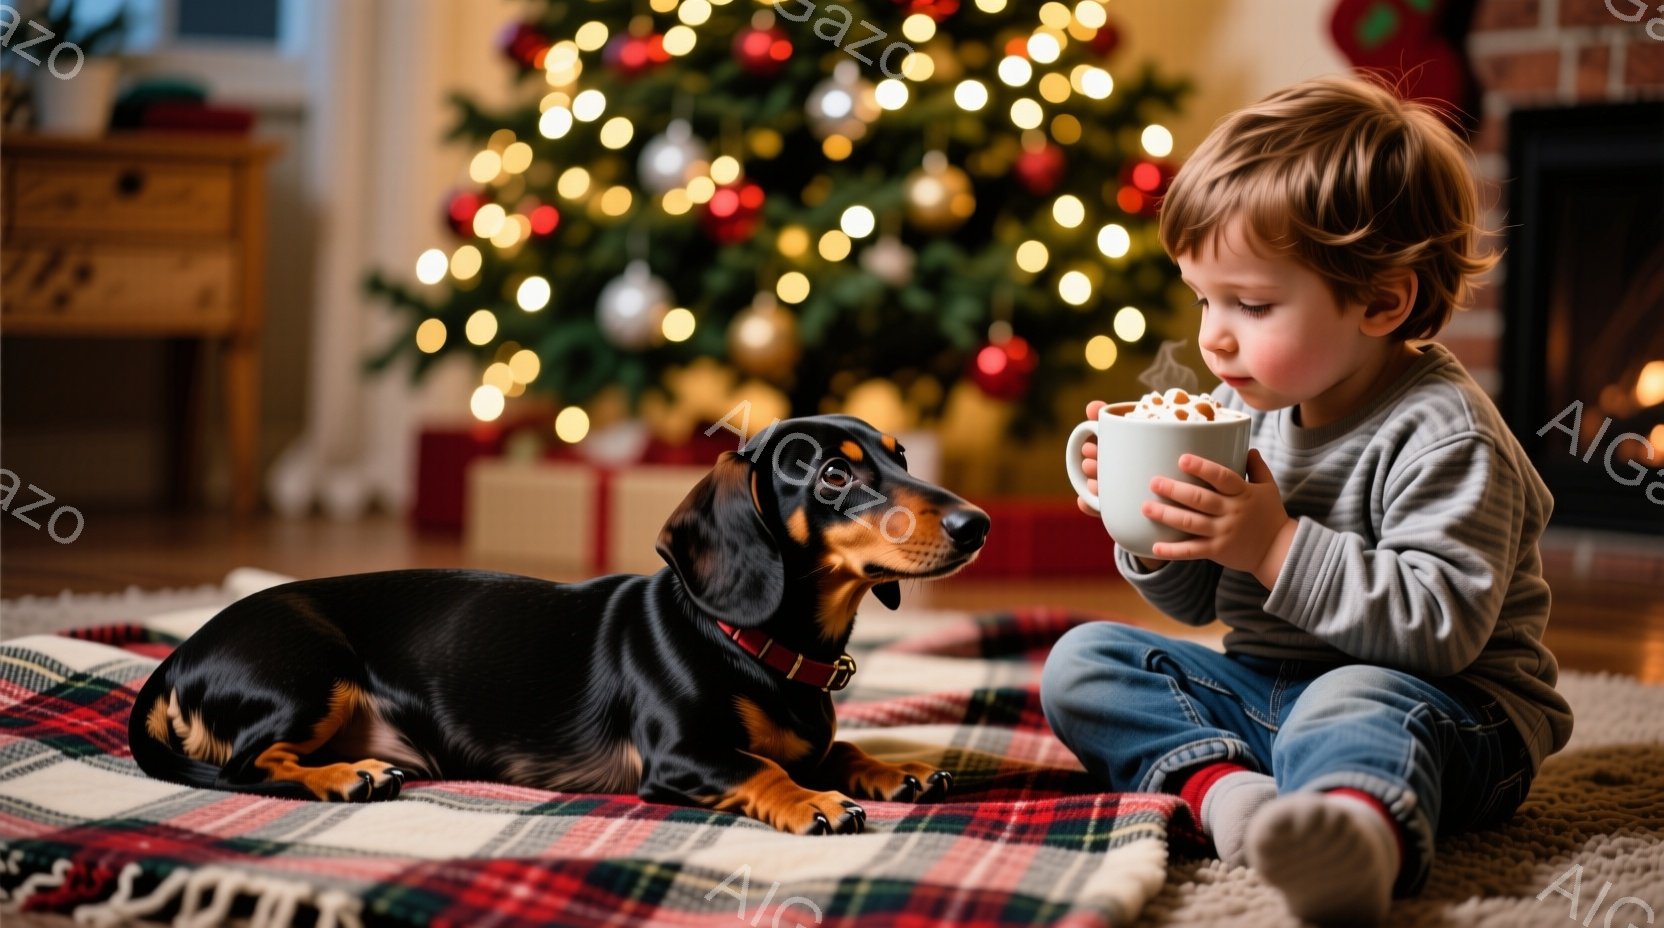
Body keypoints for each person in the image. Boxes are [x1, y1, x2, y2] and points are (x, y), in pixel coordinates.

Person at [1039, 73, 1573, 926]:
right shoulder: (1240, 408)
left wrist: (1271, 545)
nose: (1213, 335)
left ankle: (1356, 835)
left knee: (1353, 697)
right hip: (1270, 690)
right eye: (1204, 299)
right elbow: (1197, 597)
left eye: (1251, 304)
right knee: (1085, 661)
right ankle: (1234, 798)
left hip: (1448, 715)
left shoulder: (1445, 434)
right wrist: (1148, 524)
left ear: (1381, 300)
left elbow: (1438, 633)